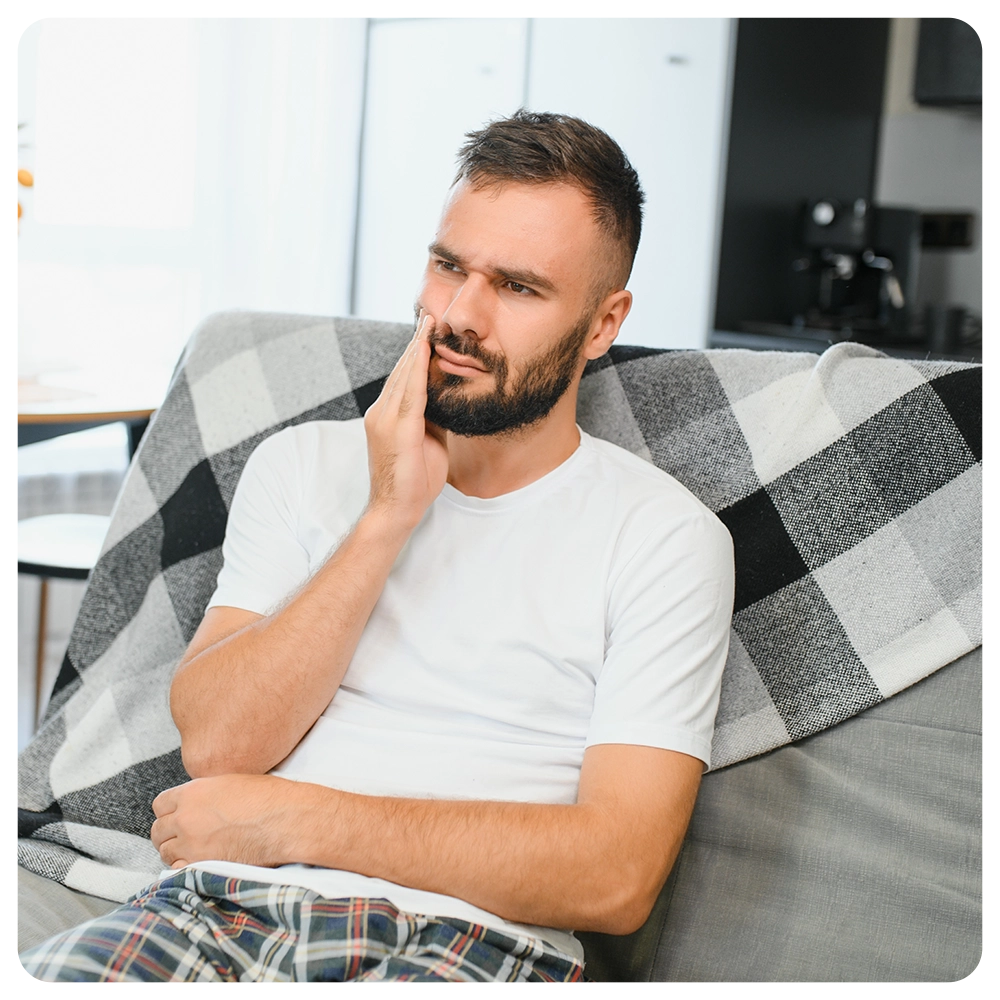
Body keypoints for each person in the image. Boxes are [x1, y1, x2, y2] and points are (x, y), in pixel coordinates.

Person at [19, 110, 735, 984]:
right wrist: (386, 517)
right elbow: (218, 746)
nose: (458, 317)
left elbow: (615, 876)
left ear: (601, 323)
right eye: (447, 267)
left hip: (467, 947)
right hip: (208, 914)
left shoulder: (665, 539)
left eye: (516, 288)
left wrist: (290, 822)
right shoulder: (302, 465)